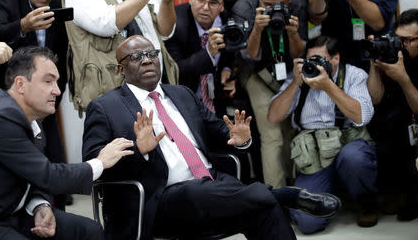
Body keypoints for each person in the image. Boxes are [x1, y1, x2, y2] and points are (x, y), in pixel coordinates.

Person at [82, 35, 341, 240]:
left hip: (214, 187)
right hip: (159, 200)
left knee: (265, 209)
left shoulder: (181, 94)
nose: (147, 60)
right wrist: (141, 150)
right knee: (200, 193)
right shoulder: (105, 107)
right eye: (137, 56)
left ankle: (275, 198)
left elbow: (220, 134)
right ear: (120, 69)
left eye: (152, 54)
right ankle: (285, 195)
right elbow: (95, 169)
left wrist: (240, 139)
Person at [0, 46, 134, 240]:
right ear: (20, 84)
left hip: (18, 212)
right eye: (48, 81)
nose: (56, 90)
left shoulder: (32, 117)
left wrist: (40, 205)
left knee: (88, 230)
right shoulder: (1, 118)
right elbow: (48, 175)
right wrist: (100, 162)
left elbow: (35, 175)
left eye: (56, 81)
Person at [64, 0, 180, 115]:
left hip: (155, 86)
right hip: (115, 96)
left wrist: (167, 1)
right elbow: (107, 23)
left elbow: (165, 32)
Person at [0, 0, 71, 209]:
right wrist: (22, 26)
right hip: (8, 100)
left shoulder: (56, 4)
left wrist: (53, 100)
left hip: (44, 103)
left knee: (52, 163)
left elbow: (61, 61)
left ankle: (56, 214)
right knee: (17, 169)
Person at [268, 35, 376, 233]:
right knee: (307, 224)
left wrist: (328, 86)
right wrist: (295, 84)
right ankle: (328, 192)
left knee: (355, 158)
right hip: (314, 153)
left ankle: (366, 204)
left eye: (321, 60)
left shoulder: (353, 74)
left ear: (336, 58)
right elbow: (274, 116)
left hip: (348, 142)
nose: (315, 66)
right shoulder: (301, 76)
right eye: (311, 60)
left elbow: (362, 116)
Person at [231, 0, 307, 188]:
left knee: (289, 131)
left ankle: (296, 189)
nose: (273, 10)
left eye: (278, 5)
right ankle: (277, 201)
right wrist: (257, 27)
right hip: (256, 73)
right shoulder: (244, 8)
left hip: (288, 72)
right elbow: (250, 55)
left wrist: (293, 34)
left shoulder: (298, 6)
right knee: (272, 136)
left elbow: (299, 52)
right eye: (266, 4)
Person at [367, 8, 418, 221]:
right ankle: (398, 193)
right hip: (395, 125)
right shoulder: (392, 53)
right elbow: (376, 98)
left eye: (407, 40)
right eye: (398, 38)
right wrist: (374, 60)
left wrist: (403, 78)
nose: (401, 45)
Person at [165, 0, 236, 116]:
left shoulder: (228, 22)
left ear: (222, 6)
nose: (205, 8)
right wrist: (208, 53)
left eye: (213, 3)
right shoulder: (175, 23)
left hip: (217, 100)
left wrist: (228, 70)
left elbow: (233, 53)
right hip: (183, 101)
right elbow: (175, 71)